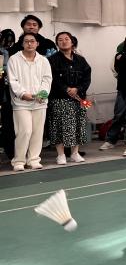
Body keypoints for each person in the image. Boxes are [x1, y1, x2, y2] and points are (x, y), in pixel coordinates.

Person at [7, 33, 52, 171]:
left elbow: (47, 79)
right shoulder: (14, 59)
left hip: (40, 102)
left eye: (32, 41)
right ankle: (19, 161)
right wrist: (22, 94)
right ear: (22, 44)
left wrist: (43, 94)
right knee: (24, 131)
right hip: (21, 102)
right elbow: (12, 80)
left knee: (37, 132)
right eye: (26, 41)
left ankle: (33, 159)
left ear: (37, 43)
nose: (29, 44)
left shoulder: (43, 60)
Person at [47, 32, 91, 165]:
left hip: (78, 98)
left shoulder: (81, 60)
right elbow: (52, 78)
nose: (64, 41)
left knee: (78, 125)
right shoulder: (52, 60)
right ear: (57, 43)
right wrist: (66, 89)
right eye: (60, 40)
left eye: (67, 39)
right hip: (59, 98)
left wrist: (78, 89)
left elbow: (87, 77)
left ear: (72, 42)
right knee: (59, 126)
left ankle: (75, 153)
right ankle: (60, 155)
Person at [1, 29, 16, 161]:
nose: (8, 43)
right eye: (6, 40)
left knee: (8, 124)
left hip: (7, 93)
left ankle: (11, 151)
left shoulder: (10, 52)